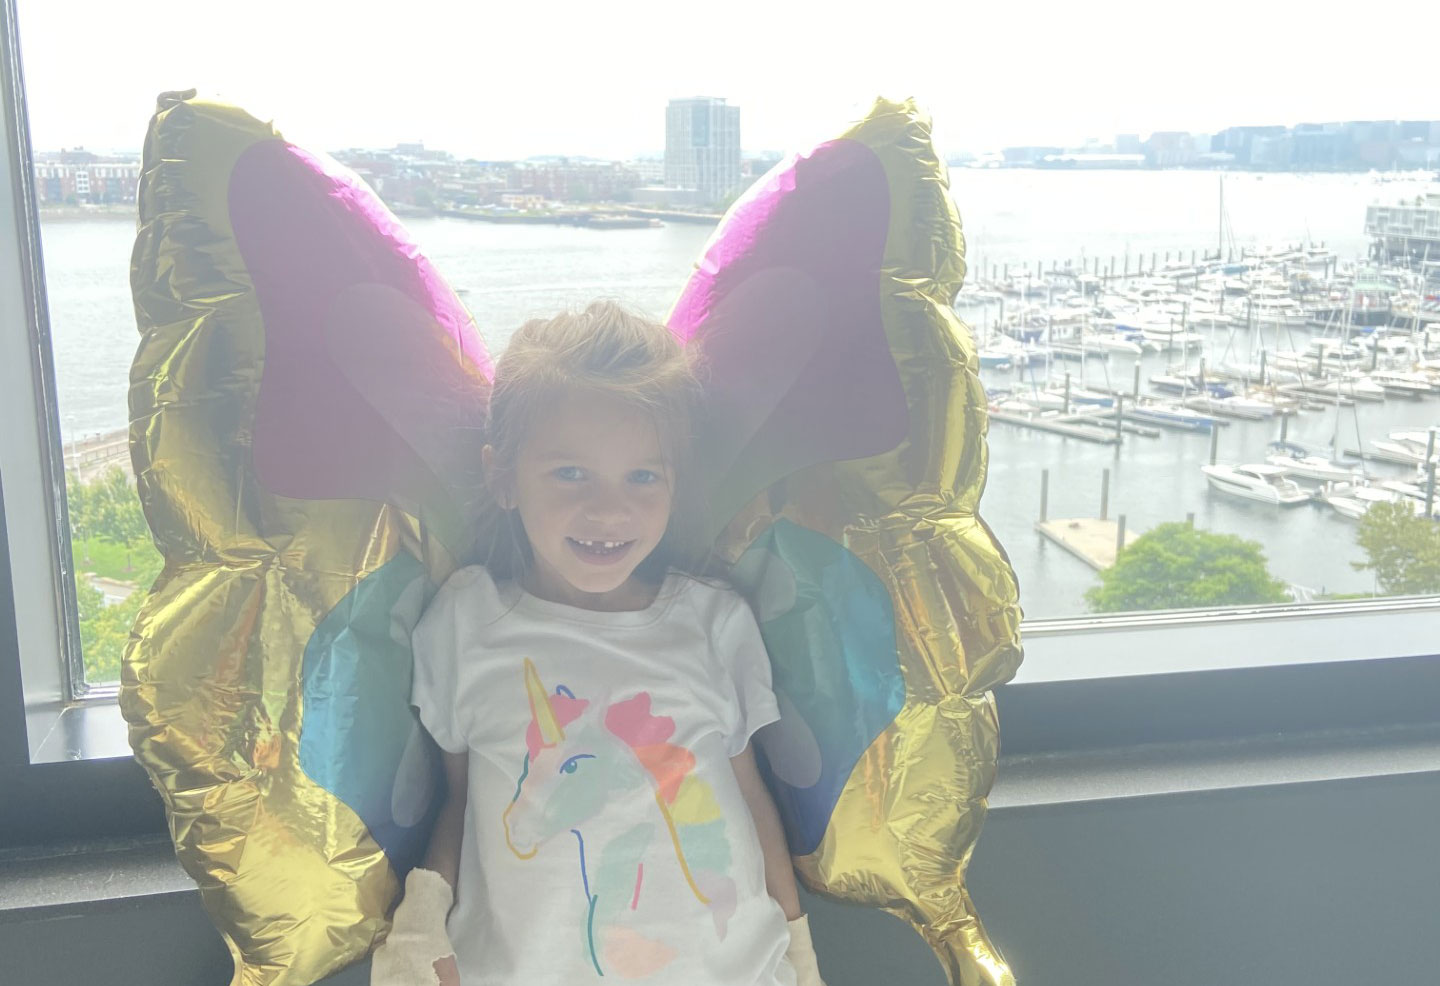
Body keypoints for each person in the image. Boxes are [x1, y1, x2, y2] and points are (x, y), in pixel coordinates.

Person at [371, 301, 827, 986]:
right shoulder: (463, 624)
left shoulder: (714, 624)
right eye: (570, 473)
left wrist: (800, 952)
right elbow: (464, 805)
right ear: (503, 477)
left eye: (643, 475)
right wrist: (422, 919)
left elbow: (751, 797)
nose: (609, 510)